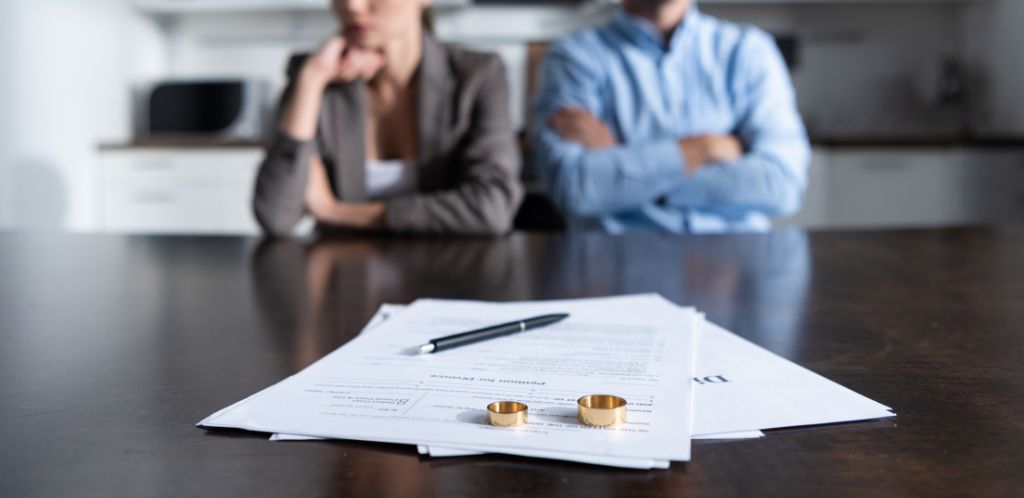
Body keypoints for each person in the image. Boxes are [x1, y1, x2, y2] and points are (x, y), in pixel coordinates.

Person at [532, 0, 810, 233]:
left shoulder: (748, 51)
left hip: (738, 271)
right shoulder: (574, 56)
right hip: (618, 266)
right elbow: (575, 187)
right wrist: (704, 148)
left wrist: (626, 167)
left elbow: (782, 184)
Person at [254, 0, 523, 237]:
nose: (353, 6)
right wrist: (313, 79)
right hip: (344, 280)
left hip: (448, 278)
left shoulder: (477, 76)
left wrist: (336, 213)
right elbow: (276, 216)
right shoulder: (316, 75)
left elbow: (493, 208)